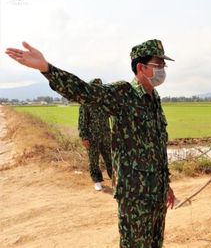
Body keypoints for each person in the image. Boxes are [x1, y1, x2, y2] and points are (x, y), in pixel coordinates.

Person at [6, 39, 176, 248]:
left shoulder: (154, 98)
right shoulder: (123, 94)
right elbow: (84, 92)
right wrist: (47, 68)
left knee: (155, 243)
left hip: (156, 193)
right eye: (158, 65)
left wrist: (165, 184)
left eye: (163, 65)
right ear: (141, 67)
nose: (162, 70)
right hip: (135, 196)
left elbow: (157, 147)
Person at [78, 78, 112, 191]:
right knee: (93, 160)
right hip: (92, 137)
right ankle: (97, 180)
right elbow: (82, 122)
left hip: (106, 136)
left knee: (110, 159)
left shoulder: (105, 102)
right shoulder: (85, 103)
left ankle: (115, 179)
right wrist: (84, 137)